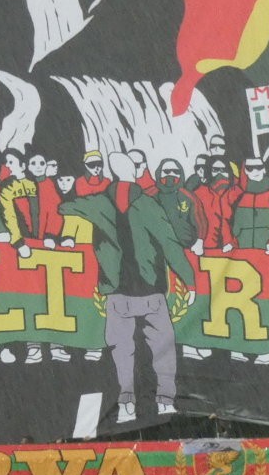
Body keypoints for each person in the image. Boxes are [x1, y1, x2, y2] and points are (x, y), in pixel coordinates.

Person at [62, 151, 195, 425]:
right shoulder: (149, 205)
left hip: (118, 293)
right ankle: (166, 401)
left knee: (122, 351)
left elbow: (64, 208)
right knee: (163, 347)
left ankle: (126, 404)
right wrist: (189, 280)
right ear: (134, 174)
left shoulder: (98, 203)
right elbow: (170, 244)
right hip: (151, 292)